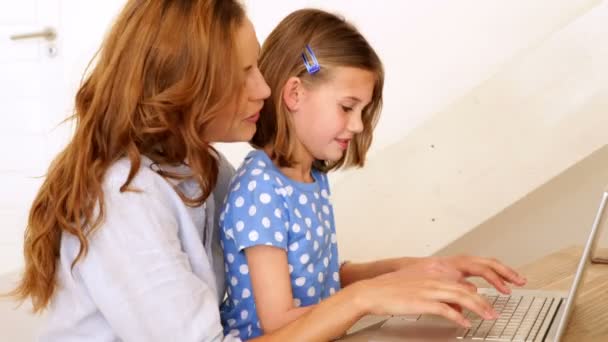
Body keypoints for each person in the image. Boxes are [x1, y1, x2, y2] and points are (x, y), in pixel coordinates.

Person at [7, 1, 524, 341]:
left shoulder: (200, 165)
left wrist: (410, 275)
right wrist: (364, 298)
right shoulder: (123, 201)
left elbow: (291, 276)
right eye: (245, 72)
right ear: (191, 83)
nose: (263, 88)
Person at [219, 8, 526, 340]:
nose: (358, 125)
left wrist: (414, 270)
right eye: (347, 107)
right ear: (295, 94)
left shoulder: (310, 177)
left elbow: (320, 278)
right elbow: (278, 323)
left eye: (363, 111)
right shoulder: (260, 190)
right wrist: (378, 296)